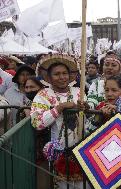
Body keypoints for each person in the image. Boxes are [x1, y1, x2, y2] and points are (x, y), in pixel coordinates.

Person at [30, 54, 90, 189]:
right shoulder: (43, 95)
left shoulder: (78, 91)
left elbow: (88, 118)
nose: (62, 77)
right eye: (56, 74)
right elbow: (37, 122)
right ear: (49, 77)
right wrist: (60, 107)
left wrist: (86, 108)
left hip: (82, 147)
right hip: (59, 150)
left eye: (64, 73)